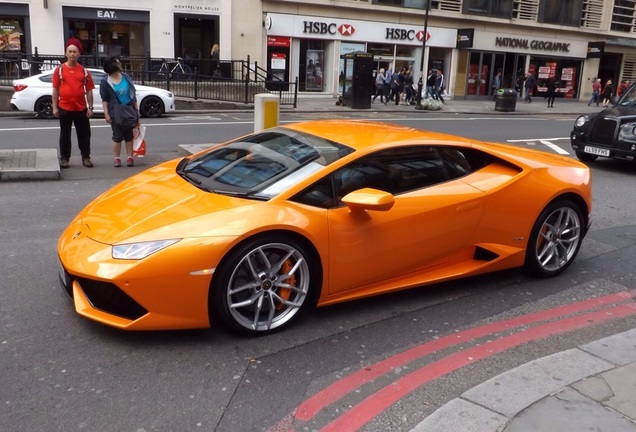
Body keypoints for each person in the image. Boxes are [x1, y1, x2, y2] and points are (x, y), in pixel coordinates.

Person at [52, 42, 95, 168]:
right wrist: (55, 107)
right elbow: (55, 90)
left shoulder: (84, 71)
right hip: (64, 107)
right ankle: (65, 158)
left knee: (84, 134)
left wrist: (90, 107)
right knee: (65, 134)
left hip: (81, 108)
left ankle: (86, 157)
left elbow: (89, 90)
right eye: (70, 51)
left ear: (79, 54)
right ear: (66, 53)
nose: (72, 54)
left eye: (74, 52)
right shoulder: (59, 70)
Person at [100, 56, 140, 168]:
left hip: (129, 109)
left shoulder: (126, 77)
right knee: (117, 135)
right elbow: (105, 99)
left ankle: (130, 157)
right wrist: (106, 114)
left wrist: (137, 110)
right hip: (115, 111)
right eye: (118, 62)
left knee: (129, 135)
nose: (120, 64)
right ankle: (116, 158)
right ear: (112, 65)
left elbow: (133, 95)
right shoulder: (105, 81)